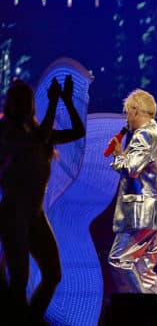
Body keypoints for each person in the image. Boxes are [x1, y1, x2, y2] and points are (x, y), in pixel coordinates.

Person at [0, 76, 86, 323]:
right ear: (11, 104)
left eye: (27, 101)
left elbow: (77, 132)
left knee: (53, 273)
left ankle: (28, 320)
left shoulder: (39, 131)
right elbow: (38, 139)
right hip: (13, 214)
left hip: (35, 215)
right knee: (18, 282)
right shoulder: (7, 131)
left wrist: (67, 101)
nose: (24, 106)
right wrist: (55, 101)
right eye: (20, 101)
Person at [107, 89, 157, 296]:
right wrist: (126, 154)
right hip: (155, 214)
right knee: (145, 270)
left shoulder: (144, 134)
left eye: (127, 113)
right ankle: (153, 316)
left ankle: (140, 311)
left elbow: (131, 169)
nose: (127, 119)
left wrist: (118, 156)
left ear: (135, 110)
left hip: (141, 214)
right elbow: (143, 167)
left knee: (119, 259)